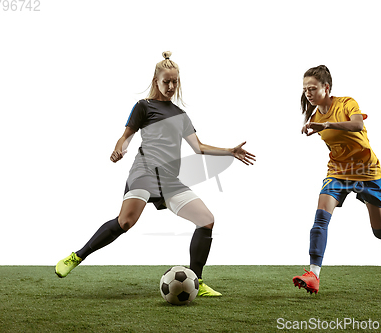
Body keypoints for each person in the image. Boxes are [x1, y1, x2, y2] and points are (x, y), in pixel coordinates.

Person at [55, 51, 256, 297]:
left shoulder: (181, 115)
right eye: (166, 82)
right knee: (125, 222)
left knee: (206, 220)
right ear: (156, 81)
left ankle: (197, 282)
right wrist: (119, 150)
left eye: (175, 82)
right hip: (144, 171)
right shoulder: (143, 107)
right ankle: (77, 256)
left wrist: (229, 151)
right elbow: (125, 137)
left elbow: (199, 147)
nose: (171, 86)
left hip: (169, 179)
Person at [292, 65, 381, 294]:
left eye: (312, 88)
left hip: (368, 172)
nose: (308, 93)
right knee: (320, 219)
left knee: (380, 234)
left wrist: (325, 125)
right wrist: (313, 126)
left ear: (326, 88)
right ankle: (313, 275)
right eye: (305, 89)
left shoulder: (347, 103)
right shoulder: (314, 115)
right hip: (338, 172)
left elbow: (358, 125)